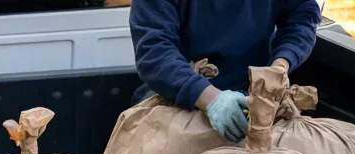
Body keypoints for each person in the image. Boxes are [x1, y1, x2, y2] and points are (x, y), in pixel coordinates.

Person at [129, 0, 322, 144]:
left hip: (253, 95)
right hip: (177, 96)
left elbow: (302, 15)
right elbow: (154, 50)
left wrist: (281, 64)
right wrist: (212, 99)